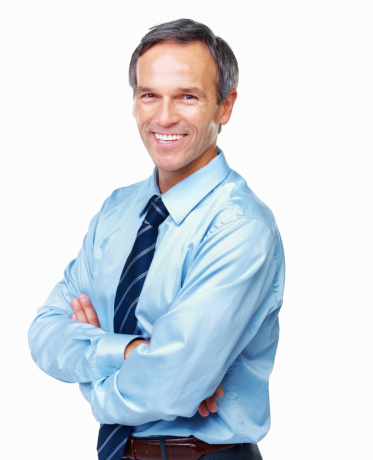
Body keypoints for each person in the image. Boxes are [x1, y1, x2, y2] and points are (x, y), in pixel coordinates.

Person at [29, 18, 285, 460]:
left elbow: (170, 384)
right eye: (150, 95)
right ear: (134, 101)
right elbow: (44, 333)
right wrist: (130, 351)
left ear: (225, 106)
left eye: (187, 96)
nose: (164, 117)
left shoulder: (241, 228)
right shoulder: (117, 211)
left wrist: (92, 375)